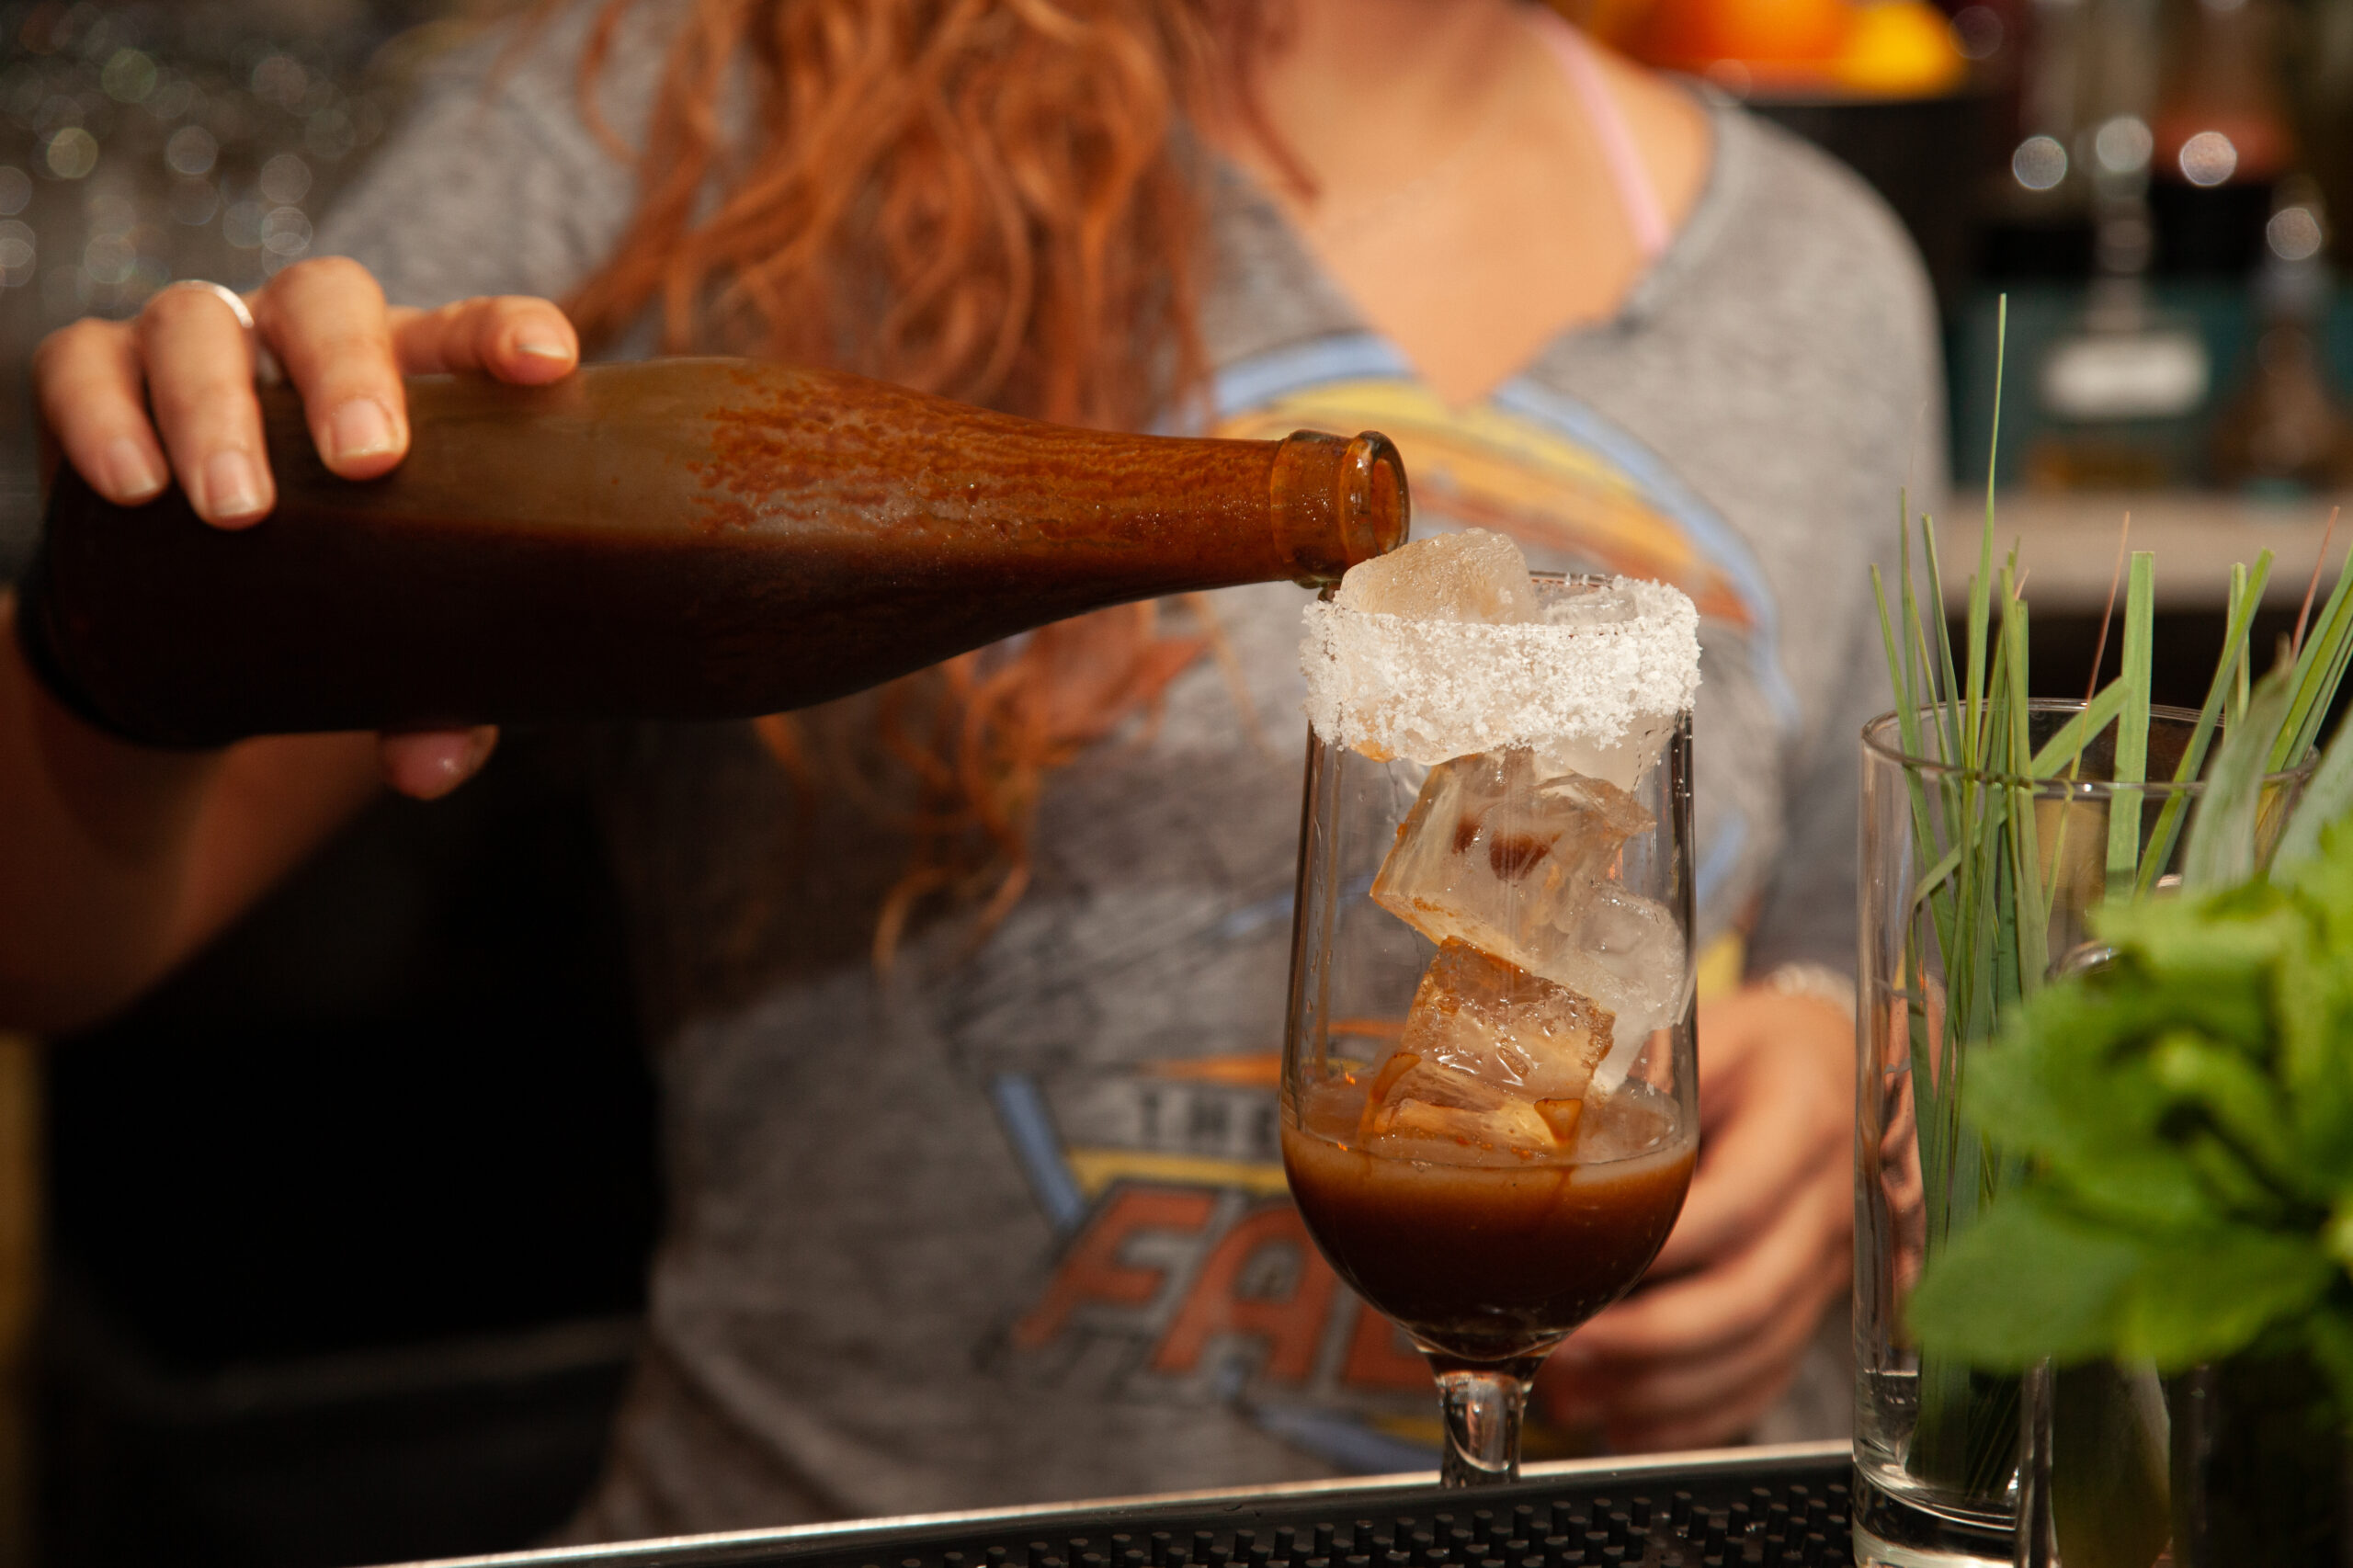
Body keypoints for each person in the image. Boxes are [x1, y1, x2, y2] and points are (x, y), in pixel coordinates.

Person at [2, 0, 1938, 1537]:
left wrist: (1820, 1093)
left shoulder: (1822, 279)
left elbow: (1851, 983)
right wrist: (146, 601)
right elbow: (50, 942)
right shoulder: (686, 97)